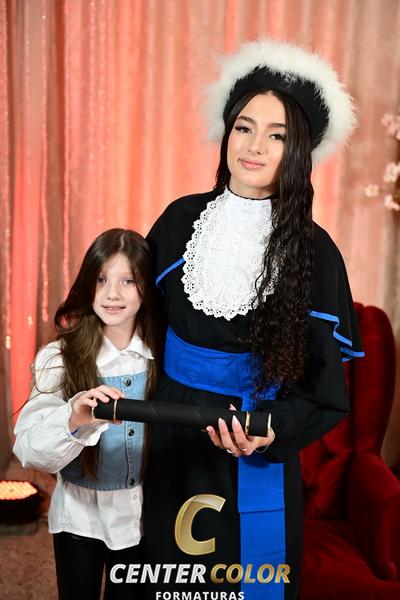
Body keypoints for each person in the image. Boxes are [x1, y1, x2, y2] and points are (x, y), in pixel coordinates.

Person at [143, 39, 365, 600]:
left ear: (299, 151)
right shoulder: (179, 221)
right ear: (227, 132)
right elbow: (139, 329)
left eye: (278, 135)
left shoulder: (316, 253)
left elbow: (324, 394)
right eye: (244, 127)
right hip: (172, 432)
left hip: (255, 441)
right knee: (167, 579)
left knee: (245, 582)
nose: (255, 146)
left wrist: (267, 431)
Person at [13, 228, 161, 600]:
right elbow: (29, 450)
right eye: (101, 279)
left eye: (128, 281)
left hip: (143, 516)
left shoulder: (165, 358)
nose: (112, 294)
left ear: (146, 286)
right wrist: (74, 419)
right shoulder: (58, 358)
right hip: (79, 517)